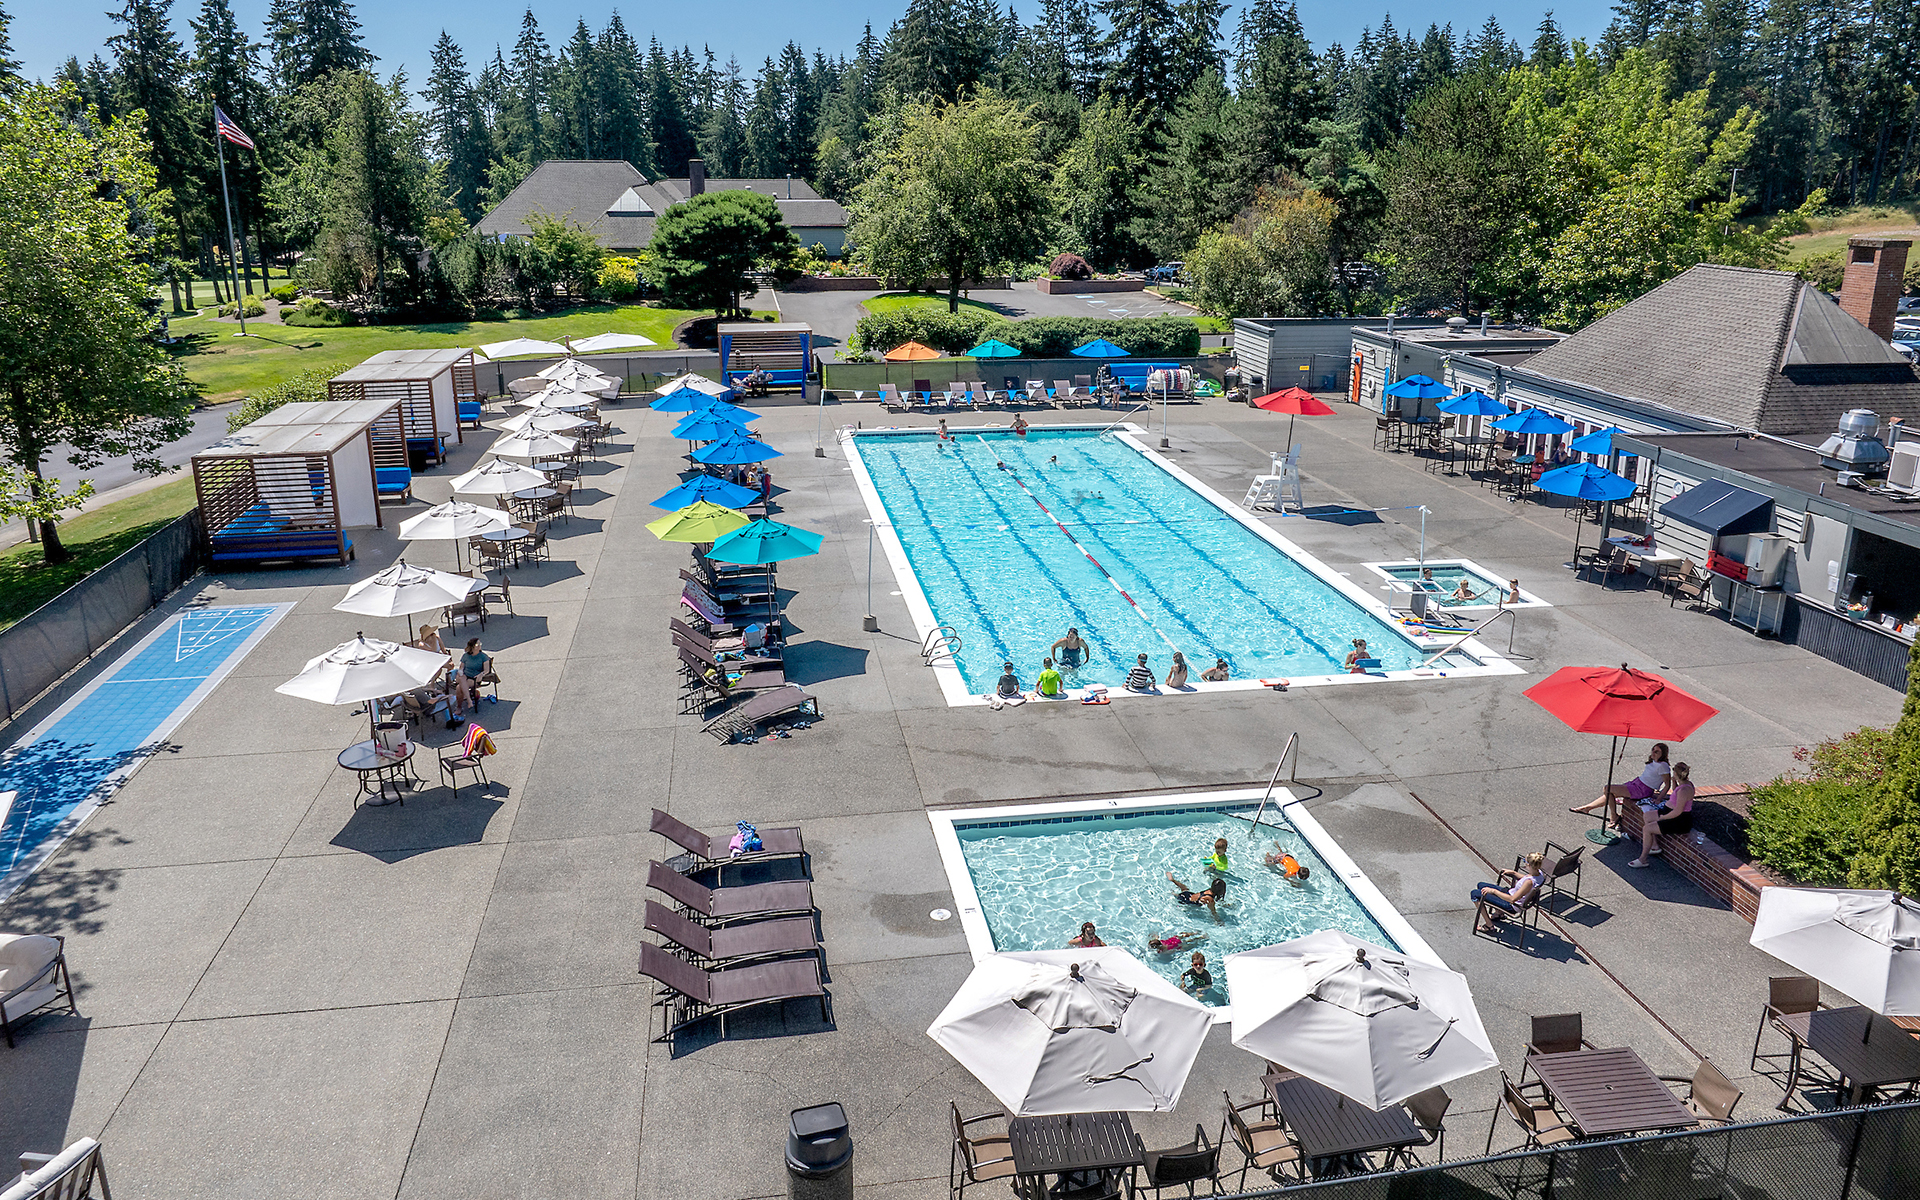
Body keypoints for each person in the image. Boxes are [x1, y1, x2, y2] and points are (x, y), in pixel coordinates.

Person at [1571, 742, 1671, 828]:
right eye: (1653, 750)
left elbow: (1667, 784)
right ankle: (1587, 808)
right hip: (1637, 783)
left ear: (1662, 754)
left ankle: (1613, 816)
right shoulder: (1653, 761)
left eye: (1656, 752)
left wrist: (1658, 799)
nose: (1653, 753)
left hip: (1642, 790)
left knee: (1608, 789)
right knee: (1609, 793)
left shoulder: (1663, 766)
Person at [1632, 762, 1696, 868]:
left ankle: (1643, 859)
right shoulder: (1685, 784)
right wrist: (1674, 782)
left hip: (1678, 820)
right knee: (1647, 816)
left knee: (1647, 829)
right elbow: (1675, 792)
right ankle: (1654, 845)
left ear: (1676, 773)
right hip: (1668, 811)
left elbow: (1678, 811)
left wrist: (1663, 818)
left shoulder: (1684, 790)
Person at [1472, 853, 1547, 933]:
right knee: (1481, 885)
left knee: (1475, 894)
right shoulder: (1539, 874)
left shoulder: (1529, 883)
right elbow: (1526, 878)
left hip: (1511, 905)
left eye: (1524, 861)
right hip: (1510, 893)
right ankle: (1499, 913)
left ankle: (1489, 925)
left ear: (1528, 865)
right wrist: (1513, 873)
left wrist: (1493, 891)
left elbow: (1512, 899)